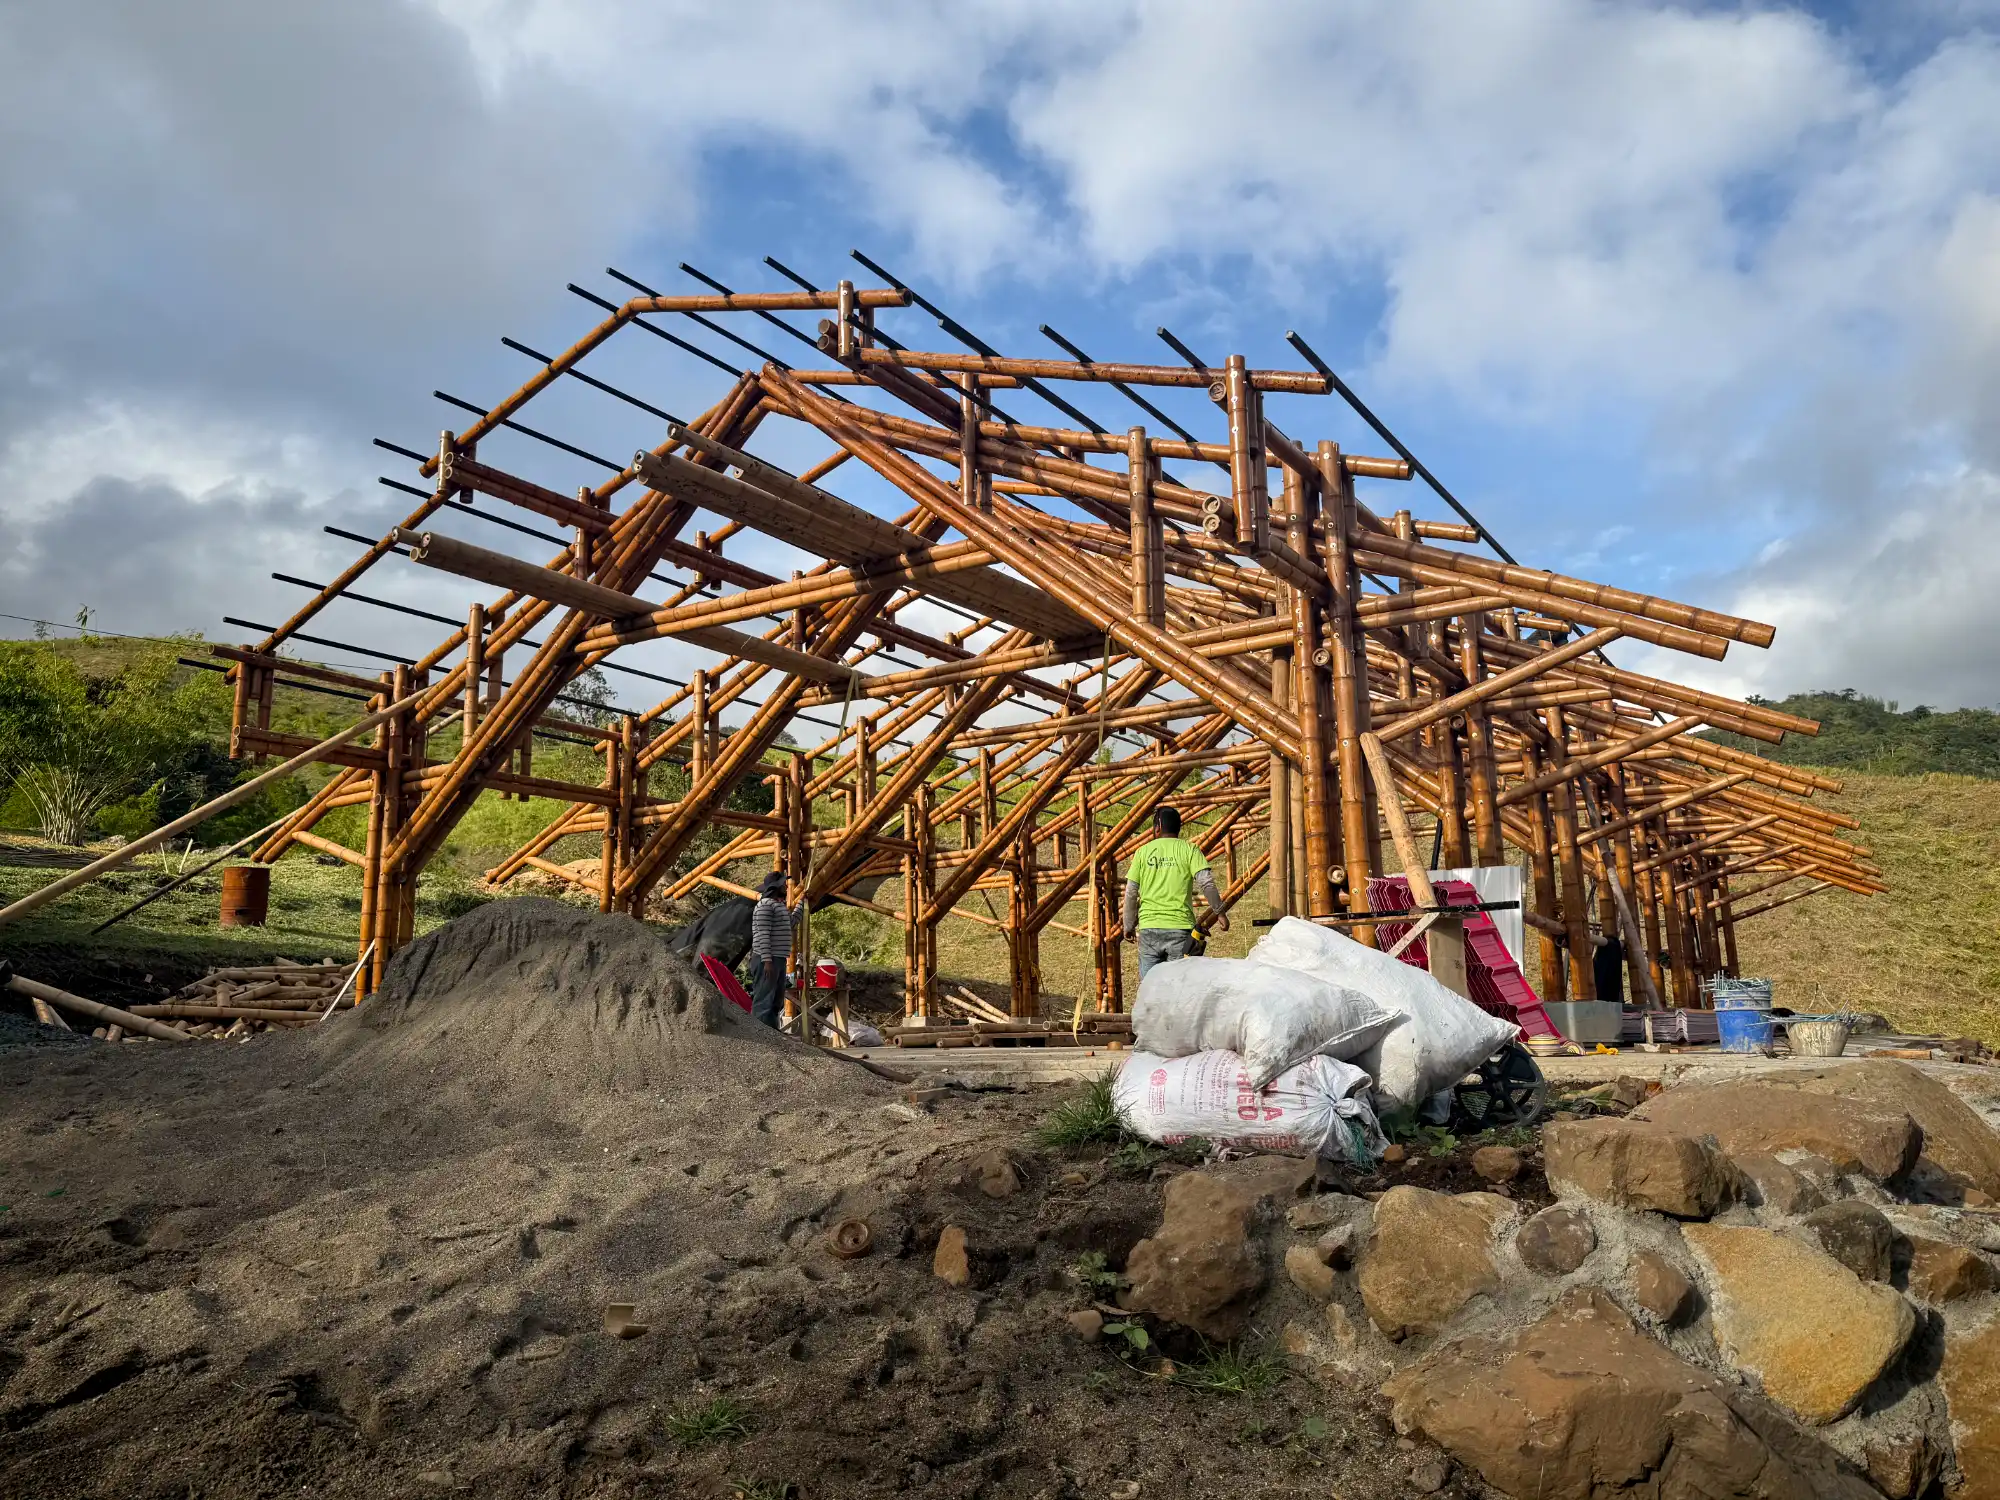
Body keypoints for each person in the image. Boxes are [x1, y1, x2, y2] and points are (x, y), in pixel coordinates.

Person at [1122, 807, 1229, 980]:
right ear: (1178, 828)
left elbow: (1131, 892)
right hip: (1180, 929)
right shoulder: (1190, 850)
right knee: (1178, 990)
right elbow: (1206, 883)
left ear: (1157, 827)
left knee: (1151, 988)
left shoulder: (1142, 852)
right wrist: (1220, 913)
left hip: (1150, 930)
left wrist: (1128, 925)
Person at [748, 870, 800, 1029]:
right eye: (783, 883)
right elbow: (763, 934)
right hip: (766, 959)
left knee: (775, 1001)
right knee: (764, 1001)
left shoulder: (779, 906)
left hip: (778, 958)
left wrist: (802, 903)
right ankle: (760, 1036)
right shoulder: (764, 906)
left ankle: (772, 1035)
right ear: (775, 886)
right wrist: (767, 961)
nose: (786, 886)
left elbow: (792, 922)